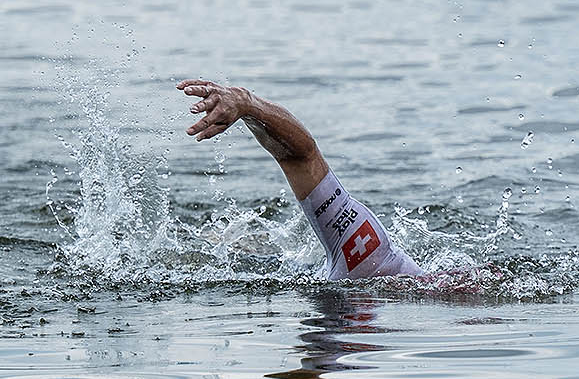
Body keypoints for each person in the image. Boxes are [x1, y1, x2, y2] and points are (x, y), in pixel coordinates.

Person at [176, 79, 424, 279]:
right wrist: (246, 103)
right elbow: (302, 157)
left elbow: (301, 158)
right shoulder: (370, 260)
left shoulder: (366, 265)